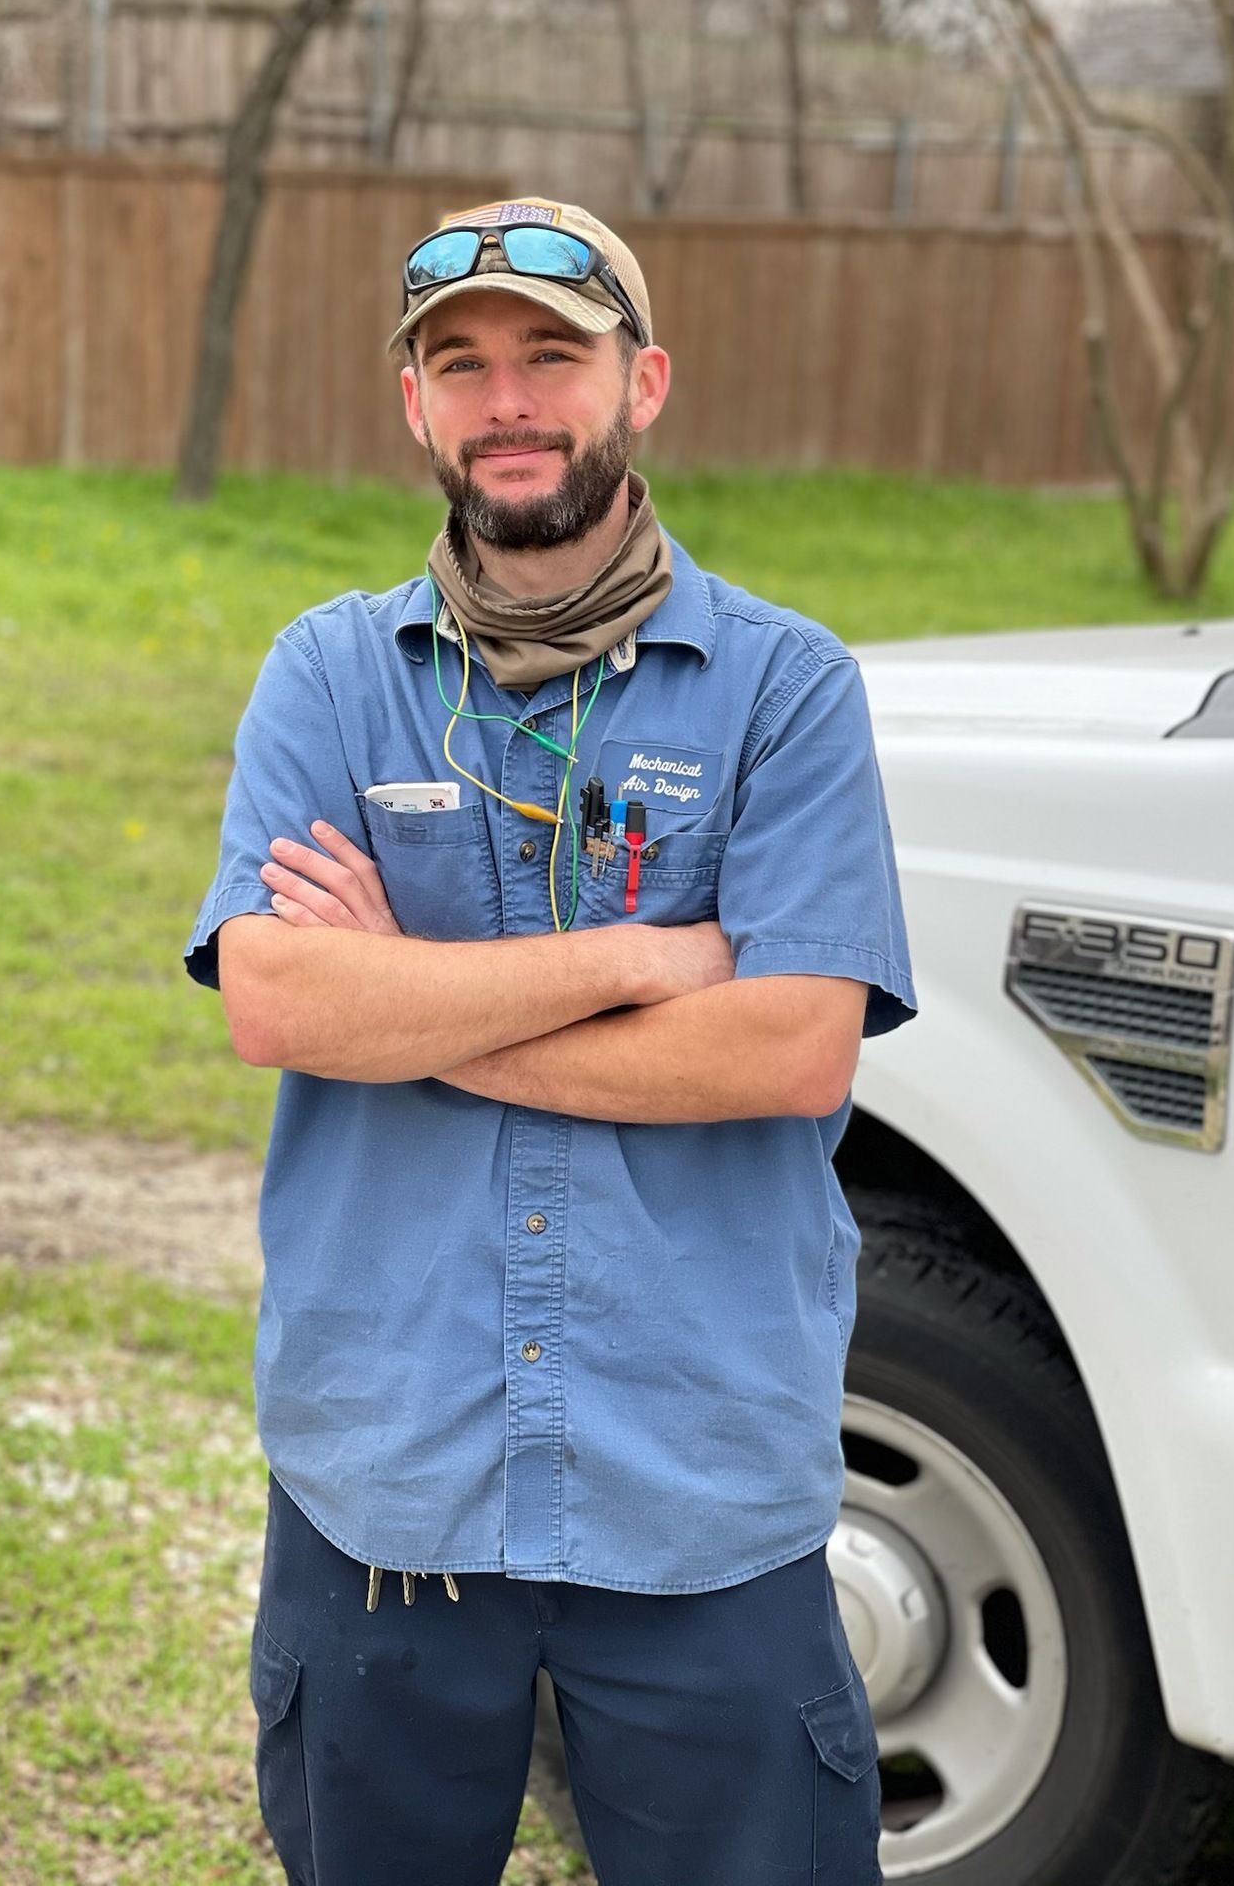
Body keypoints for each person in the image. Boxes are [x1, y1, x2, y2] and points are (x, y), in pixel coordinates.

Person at [185, 196, 917, 1886]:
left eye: (552, 357)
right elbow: (282, 1002)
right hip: (391, 1483)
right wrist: (647, 963)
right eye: (464, 364)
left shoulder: (785, 691)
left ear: (641, 381)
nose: (509, 400)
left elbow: (795, 1049)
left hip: (698, 1481)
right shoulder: (327, 679)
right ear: (416, 406)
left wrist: (413, 1005)